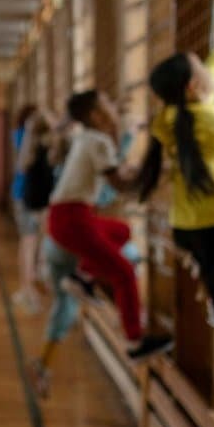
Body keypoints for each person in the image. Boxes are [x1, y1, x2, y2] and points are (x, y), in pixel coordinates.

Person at [136, 42, 214, 416]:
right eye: (202, 70)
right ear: (194, 86)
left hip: (188, 228)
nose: (212, 74)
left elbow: (211, 78)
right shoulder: (211, 121)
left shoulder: (169, 117)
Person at [46, 90, 172, 361]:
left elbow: (113, 172)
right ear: (96, 115)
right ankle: (135, 341)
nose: (113, 110)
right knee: (124, 272)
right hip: (73, 219)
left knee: (121, 231)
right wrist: (151, 172)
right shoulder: (99, 141)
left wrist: (139, 171)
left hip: (67, 217)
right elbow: (118, 183)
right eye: (107, 105)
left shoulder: (89, 138)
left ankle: (82, 277)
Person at [30, 124, 142, 398]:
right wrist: (128, 145)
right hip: (69, 246)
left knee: (64, 303)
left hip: (54, 244)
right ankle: (131, 324)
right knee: (127, 259)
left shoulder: (66, 173)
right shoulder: (89, 177)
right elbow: (109, 184)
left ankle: (44, 365)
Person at [10, 105, 44, 311]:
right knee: (28, 243)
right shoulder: (23, 135)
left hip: (32, 196)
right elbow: (22, 164)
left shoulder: (31, 136)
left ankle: (27, 289)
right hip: (24, 195)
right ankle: (26, 290)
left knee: (30, 243)